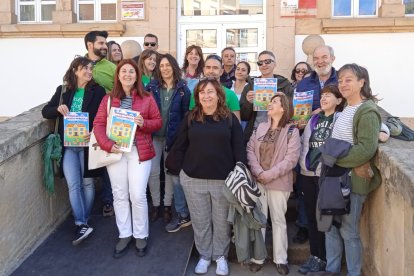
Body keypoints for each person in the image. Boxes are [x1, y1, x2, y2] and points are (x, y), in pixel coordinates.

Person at [310, 64, 381, 276]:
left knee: (348, 231)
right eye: (340, 80)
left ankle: (353, 273)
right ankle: (332, 270)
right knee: (330, 228)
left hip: (351, 180)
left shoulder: (367, 110)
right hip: (333, 178)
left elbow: (366, 150)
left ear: (362, 82)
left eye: (349, 79)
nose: (343, 84)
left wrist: (332, 161)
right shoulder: (344, 111)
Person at [171, 78, 245, 276]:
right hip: (193, 179)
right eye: (202, 92)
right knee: (200, 221)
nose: (206, 96)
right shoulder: (190, 118)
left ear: (219, 95)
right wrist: (179, 170)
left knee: (222, 222)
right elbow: (179, 145)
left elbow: (239, 148)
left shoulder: (230, 119)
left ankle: (220, 257)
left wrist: (240, 169)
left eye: (210, 92)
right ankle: (204, 255)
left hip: (223, 180)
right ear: (198, 96)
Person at [93, 59, 162, 258]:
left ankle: (141, 234)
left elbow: (157, 122)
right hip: (115, 151)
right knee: (119, 194)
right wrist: (107, 144)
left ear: (137, 75)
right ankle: (125, 233)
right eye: (124, 71)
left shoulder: (147, 98)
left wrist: (143, 123)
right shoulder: (107, 99)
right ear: (118, 75)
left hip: (138, 152)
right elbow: (98, 124)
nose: (127, 74)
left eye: (131, 71)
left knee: (138, 194)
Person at [41, 56, 106, 245]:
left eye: (90, 69)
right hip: (69, 146)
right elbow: (46, 111)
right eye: (85, 68)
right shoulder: (63, 91)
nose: (88, 71)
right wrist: (58, 109)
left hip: (87, 145)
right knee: (73, 185)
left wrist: (94, 132)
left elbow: (103, 116)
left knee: (87, 184)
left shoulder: (98, 90)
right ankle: (81, 222)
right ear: (75, 70)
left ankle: (83, 223)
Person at [246, 92, 301, 275]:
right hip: (259, 180)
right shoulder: (260, 127)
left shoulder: (292, 131)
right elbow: (250, 150)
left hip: (278, 182)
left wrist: (268, 174)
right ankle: (258, 257)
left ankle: (281, 259)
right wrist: (258, 172)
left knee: (278, 220)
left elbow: (291, 159)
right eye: (270, 101)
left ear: (283, 108)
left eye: (275, 102)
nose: (270, 104)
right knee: (260, 220)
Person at [297, 85, 345, 274]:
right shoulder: (313, 119)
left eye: (329, 96)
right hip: (307, 174)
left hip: (328, 176)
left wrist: (384, 131)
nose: (324, 98)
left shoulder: (341, 118)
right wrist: (302, 166)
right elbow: (305, 144)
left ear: (339, 100)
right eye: (323, 95)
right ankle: (315, 256)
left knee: (326, 219)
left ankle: (325, 258)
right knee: (311, 217)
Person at [145, 54, 191, 228]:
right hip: (153, 136)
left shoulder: (182, 89)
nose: (164, 68)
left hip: (173, 138)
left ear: (173, 67)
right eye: (161, 65)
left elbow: (186, 115)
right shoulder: (151, 87)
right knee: (153, 172)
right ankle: (156, 205)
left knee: (170, 173)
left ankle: (166, 206)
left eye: (167, 65)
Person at [84, 30, 116, 217]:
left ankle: (108, 201)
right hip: (83, 123)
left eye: (105, 43)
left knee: (107, 162)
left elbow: (120, 91)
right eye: (101, 43)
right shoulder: (80, 65)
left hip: (107, 121)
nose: (105, 46)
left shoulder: (111, 67)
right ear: (90, 45)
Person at [240, 50, 293, 144]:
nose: (264, 65)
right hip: (256, 131)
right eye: (260, 63)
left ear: (275, 64)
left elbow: (292, 111)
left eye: (267, 61)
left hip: (279, 131)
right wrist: (248, 103)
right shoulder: (249, 86)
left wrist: (283, 100)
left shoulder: (285, 85)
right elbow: (244, 116)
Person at [189, 54, 241, 120]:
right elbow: (191, 119)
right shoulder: (196, 93)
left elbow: (237, 124)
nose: (211, 71)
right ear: (204, 70)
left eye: (215, 68)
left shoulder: (231, 95)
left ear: (221, 71)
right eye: (208, 67)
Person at [296, 45, 338, 113]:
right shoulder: (303, 84)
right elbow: (299, 111)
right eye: (316, 58)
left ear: (332, 59)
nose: (320, 61)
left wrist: (323, 111)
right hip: (311, 123)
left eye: (324, 57)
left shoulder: (341, 81)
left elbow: (349, 106)